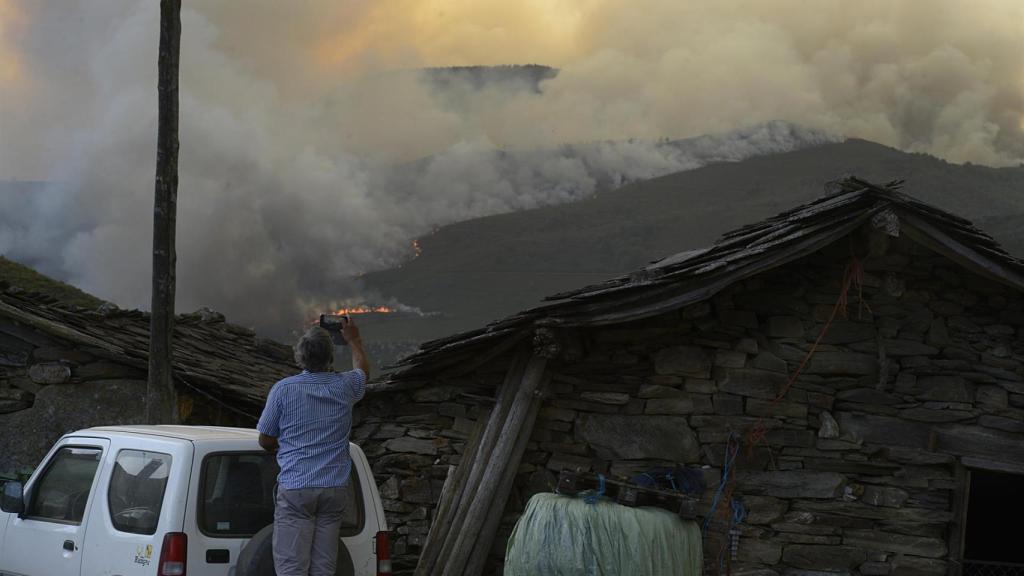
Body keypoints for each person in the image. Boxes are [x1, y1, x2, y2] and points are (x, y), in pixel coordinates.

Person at [257, 317, 369, 576]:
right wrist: (353, 340)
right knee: (323, 567)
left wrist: (284, 444)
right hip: (333, 488)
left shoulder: (283, 390)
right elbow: (362, 370)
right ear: (330, 358)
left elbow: (265, 440)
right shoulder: (345, 386)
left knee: (292, 567)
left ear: (300, 358)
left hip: (297, 487)